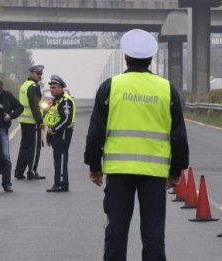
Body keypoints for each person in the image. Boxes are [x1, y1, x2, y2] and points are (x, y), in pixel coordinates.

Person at [84, 29, 189, 261]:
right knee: (153, 233)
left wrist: (94, 165)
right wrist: (176, 171)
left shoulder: (110, 87)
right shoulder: (166, 89)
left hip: (119, 172)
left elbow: (95, 133)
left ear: (126, 58)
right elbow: (179, 136)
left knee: (117, 230)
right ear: (151, 59)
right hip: (154, 174)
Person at [0, 78, 23, 193]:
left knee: (5, 155)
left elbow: (19, 107)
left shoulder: (7, 95)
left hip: (2, 129)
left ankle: (6, 184)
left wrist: (11, 116)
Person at [44, 74, 75, 192]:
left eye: (54, 87)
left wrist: (54, 130)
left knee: (60, 159)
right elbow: (52, 118)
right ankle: (58, 182)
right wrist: (48, 135)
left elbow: (66, 119)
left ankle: (61, 183)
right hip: (55, 135)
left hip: (62, 134)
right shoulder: (56, 101)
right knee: (57, 159)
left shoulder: (65, 101)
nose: (52, 90)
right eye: (51, 88)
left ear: (61, 88)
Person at [14, 65, 46, 180]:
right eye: (38, 74)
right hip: (32, 121)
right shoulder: (33, 86)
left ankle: (19, 172)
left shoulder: (24, 85)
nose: (40, 76)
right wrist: (40, 120)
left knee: (24, 147)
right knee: (34, 148)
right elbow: (35, 105)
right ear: (32, 73)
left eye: (41, 74)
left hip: (24, 121)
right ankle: (32, 171)